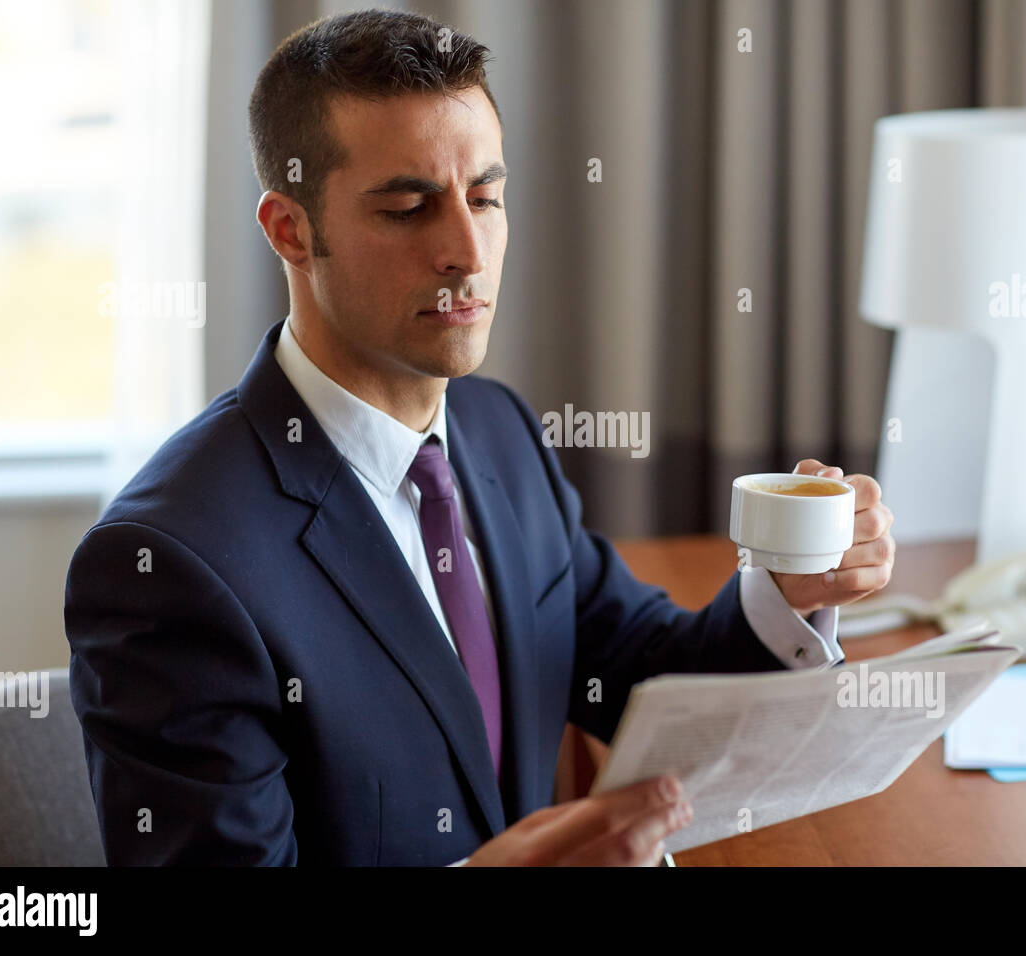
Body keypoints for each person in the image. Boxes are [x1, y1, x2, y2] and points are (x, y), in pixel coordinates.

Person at [64, 8, 894, 867]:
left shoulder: (498, 432)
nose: (468, 249)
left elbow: (645, 675)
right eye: (408, 208)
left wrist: (787, 592)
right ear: (290, 230)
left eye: (486, 197)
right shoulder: (167, 567)